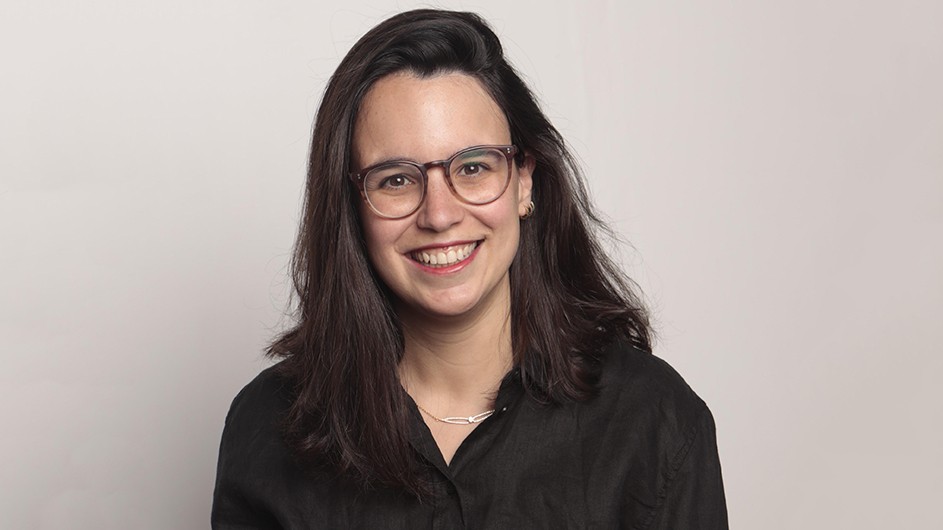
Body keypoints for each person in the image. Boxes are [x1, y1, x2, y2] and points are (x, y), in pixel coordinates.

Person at [212, 8, 727, 529]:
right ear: (351, 206)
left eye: (474, 167)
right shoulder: (267, 429)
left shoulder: (653, 422)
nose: (439, 214)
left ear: (524, 180)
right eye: (395, 179)